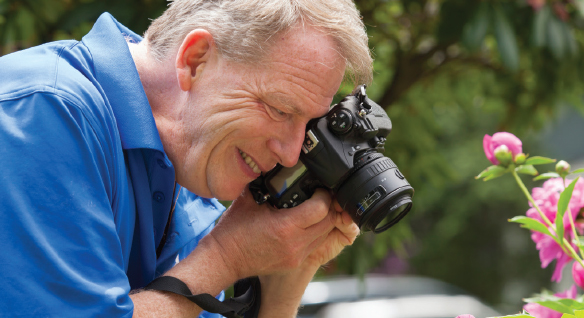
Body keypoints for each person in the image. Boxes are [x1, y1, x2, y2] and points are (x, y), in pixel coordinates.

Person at [0, 0, 372, 316]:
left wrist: (287, 275)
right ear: (195, 61)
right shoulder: (45, 111)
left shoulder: (194, 174)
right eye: (279, 109)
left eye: (308, 124)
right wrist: (227, 257)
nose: (292, 153)